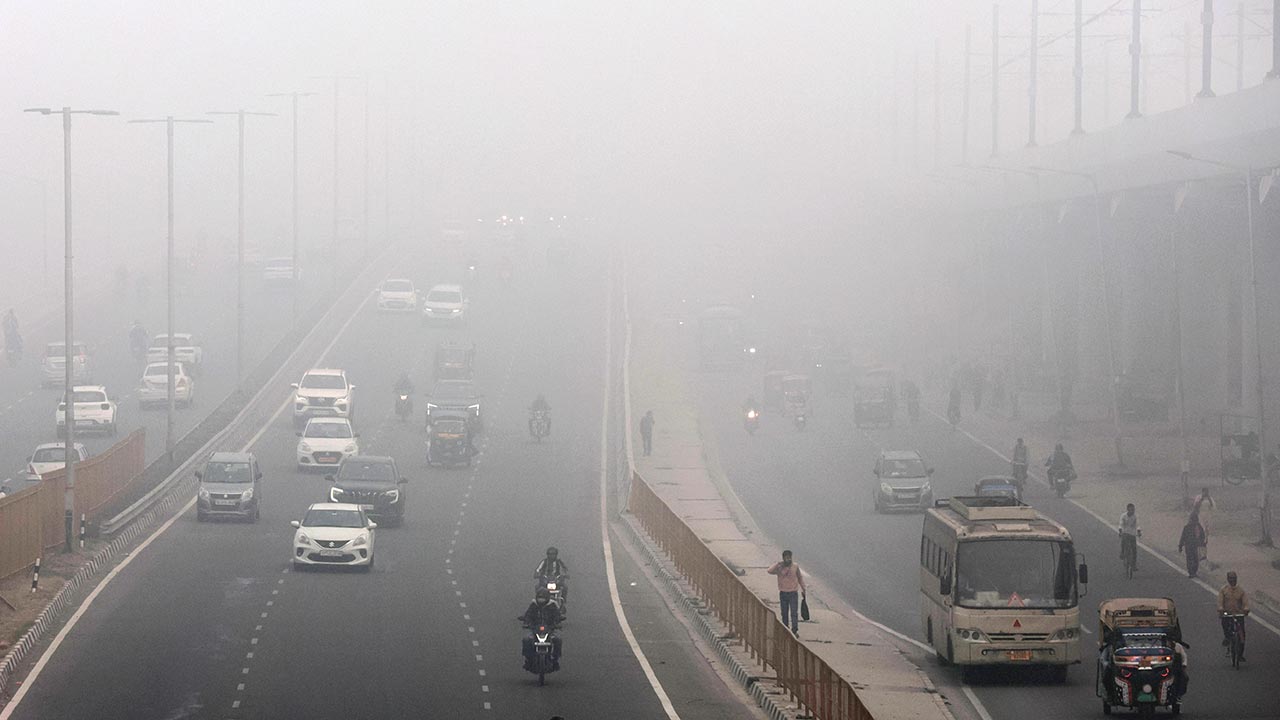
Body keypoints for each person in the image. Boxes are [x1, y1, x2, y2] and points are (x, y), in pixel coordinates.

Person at [520, 587, 562, 670]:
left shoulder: (552, 605)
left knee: (558, 639)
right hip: (535, 629)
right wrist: (526, 622)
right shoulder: (533, 605)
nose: (541, 600)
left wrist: (556, 623)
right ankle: (528, 659)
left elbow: (557, 616)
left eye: (543, 598)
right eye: (540, 598)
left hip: (550, 629)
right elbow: (528, 615)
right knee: (526, 640)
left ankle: (555, 660)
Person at [767, 549, 806, 637]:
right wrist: (778, 564)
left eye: (789, 557)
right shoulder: (779, 568)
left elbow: (800, 578)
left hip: (793, 593)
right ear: (783, 558)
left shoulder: (795, 566)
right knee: (784, 612)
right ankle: (785, 629)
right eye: (786, 558)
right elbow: (769, 571)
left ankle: (794, 630)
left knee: (794, 612)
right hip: (783, 593)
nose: (788, 559)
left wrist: (804, 589)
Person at [1217, 570, 1250, 660]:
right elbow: (1220, 601)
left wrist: (1246, 609)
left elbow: (1245, 601)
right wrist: (1220, 608)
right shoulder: (1224, 590)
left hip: (1239, 614)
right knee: (1225, 625)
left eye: (1234, 578)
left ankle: (1240, 655)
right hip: (1227, 614)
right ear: (1228, 579)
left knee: (1242, 634)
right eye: (1230, 578)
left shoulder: (1241, 590)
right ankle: (1227, 638)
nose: (1232, 580)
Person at [1177, 511, 1207, 579]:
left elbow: (1202, 536)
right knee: (1191, 559)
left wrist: (1180, 546)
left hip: (1194, 546)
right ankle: (1191, 572)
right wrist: (1180, 546)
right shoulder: (1189, 527)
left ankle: (1193, 572)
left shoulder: (1197, 527)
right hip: (1190, 546)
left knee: (1194, 559)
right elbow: (1183, 537)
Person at [1118, 503, 1141, 570]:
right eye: (1131, 510)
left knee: (1134, 550)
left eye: (1133, 510)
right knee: (1123, 542)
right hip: (1125, 532)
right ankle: (1122, 553)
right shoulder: (1123, 516)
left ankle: (1134, 565)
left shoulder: (1135, 516)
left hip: (1132, 534)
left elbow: (1138, 524)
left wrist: (1139, 531)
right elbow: (1121, 524)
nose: (1132, 511)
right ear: (1128, 509)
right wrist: (1120, 530)